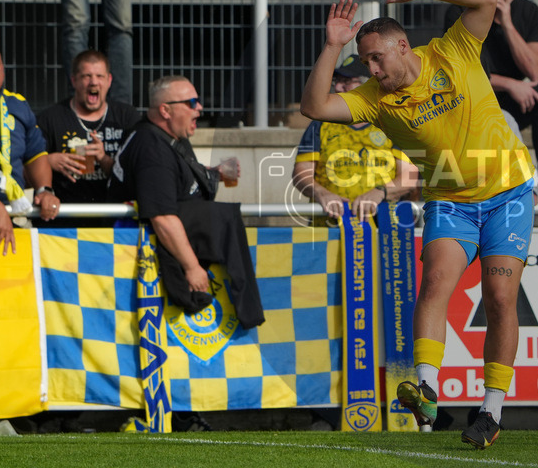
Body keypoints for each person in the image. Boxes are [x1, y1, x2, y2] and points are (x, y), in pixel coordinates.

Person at [299, 0, 536, 450]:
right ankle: (426, 389)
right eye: (365, 61)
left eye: (377, 58)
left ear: (403, 46)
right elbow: (315, 108)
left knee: (499, 299)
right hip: (449, 200)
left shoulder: (452, 49)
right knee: (434, 283)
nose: (372, 70)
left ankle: (490, 411)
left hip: (508, 194)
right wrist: (331, 46)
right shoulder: (374, 99)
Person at [107, 75, 260, 336]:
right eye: (191, 102)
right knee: (224, 216)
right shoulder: (152, 148)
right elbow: (162, 217)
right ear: (165, 111)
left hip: (169, 242)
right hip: (140, 256)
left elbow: (176, 179)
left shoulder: (169, 137)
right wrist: (192, 267)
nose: (199, 108)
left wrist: (214, 173)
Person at [443, 0, 538, 202]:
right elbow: (460, 71)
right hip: (474, 99)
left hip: (516, 100)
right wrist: (510, 84)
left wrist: (506, 22)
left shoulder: (529, 12)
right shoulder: (459, 12)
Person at [291, 53, 418, 225]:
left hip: (383, 228)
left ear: (368, 84)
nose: (339, 87)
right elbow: (301, 173)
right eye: (338, 81)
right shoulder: (320, 124)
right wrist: (321, 193)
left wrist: (381, 192)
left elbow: (409, 177)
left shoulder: (391, 122)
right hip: (329, 226)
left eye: (348, 81)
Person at [37, 50, 140, 227]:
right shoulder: (50, 118)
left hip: (115, 224)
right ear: (74, 81)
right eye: (86, 76)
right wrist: (48, 161)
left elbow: (138, 176)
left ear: (109, 81)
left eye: (99, 76)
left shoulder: (126, 118)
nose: (93, 82)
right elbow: (23, 168)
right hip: (63, 223)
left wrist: (103, 158)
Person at [0, 36, 62, 224]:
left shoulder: (17, 104)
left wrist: (45, 190)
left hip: (11, 219)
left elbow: (35, 154)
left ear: (3, 70)